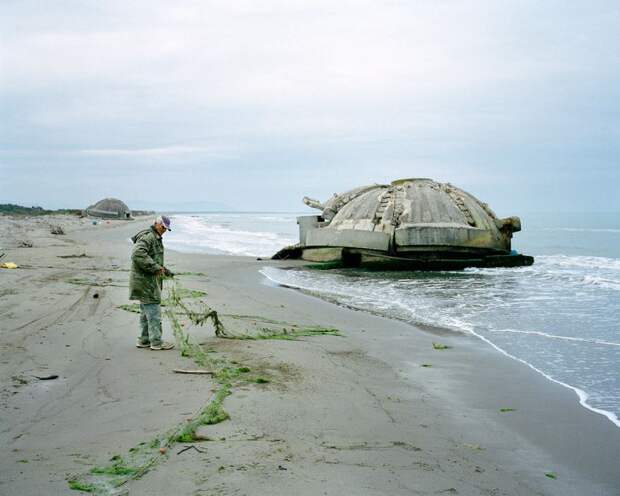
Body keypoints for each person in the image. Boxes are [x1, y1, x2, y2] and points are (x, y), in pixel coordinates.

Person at [129, 215, 175, 350]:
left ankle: (143, 340)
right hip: (145, 282)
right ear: (156, 224)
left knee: (145, 312)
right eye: (163, 227)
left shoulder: (155, 238)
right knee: (154, 312)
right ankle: (156, 342)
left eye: (166, 229)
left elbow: (154, 259)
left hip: (146, 281)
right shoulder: (148, 237)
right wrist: (156, 268)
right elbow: (137, 254)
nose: (164, 230)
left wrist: (165, 271)